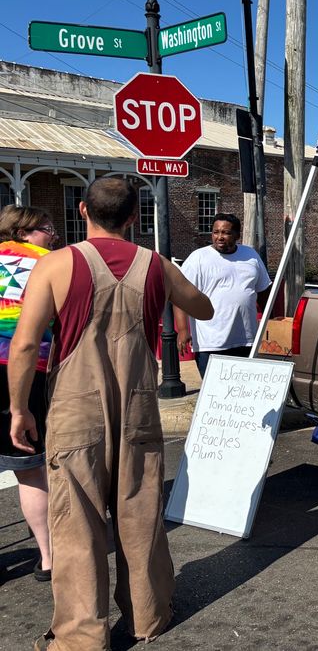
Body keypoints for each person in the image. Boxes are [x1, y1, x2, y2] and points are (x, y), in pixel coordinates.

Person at [7, 178, 213, 651]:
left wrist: (20, 408)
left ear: (82, 211)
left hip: (76, 407)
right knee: (139, 510)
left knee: (76, 521)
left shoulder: (58, 264)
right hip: (139, 403)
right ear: (133, 218)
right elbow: (202, 306)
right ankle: (149, 615)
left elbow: (24, 343)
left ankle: (81, 636)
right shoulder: (156, 265)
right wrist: (169, 287)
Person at [0, 205, 59, 585]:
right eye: (45, 228)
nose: (52, 234)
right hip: (25, 370)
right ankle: (49, 557)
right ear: (23, 231)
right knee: (30, 468)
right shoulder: (49, 264)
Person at [175, 213, 271, 377]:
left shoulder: (251, 255)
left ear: (237, 235)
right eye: (216, 232)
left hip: (246, 340)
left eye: (225, 233)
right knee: (215, 396)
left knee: (244, 392)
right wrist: (183, 330)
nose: (220, 237)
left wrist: (271, 323)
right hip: (211, 343)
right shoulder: (198, 258)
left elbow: (264, 293)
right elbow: (180, 297)